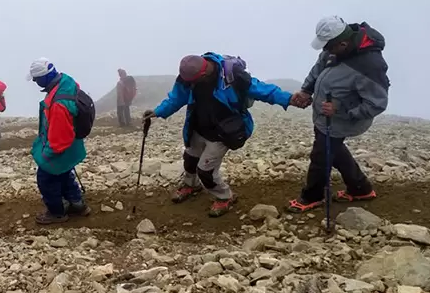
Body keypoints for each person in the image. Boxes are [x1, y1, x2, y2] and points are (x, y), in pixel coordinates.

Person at [143, 53, 297, 217]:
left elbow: (262, 89)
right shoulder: (187, 78)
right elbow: (176, 98)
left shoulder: (232, 75)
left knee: (205, 171)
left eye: (192, 81)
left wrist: (288, 99)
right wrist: (157, 112)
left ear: (203, 73)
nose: (189, 84)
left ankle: (225, 197)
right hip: (198, 128)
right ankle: (191, 185)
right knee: (190, 160)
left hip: (222, 133)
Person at [287, 17, 389, 213]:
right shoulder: (333, 49)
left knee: (321, 155)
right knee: (332, 149)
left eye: (329, 48)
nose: (325, 51)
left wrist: (340, 110)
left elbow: (377, 103)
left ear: (342, 43)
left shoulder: (370, 65)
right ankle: (360, 189)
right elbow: (318, 69)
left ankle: (312, 197)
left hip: (344, 119)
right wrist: (306, 90)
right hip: (325, 116)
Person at [28, 59, 91, 224]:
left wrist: (44, 155)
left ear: (44, 78)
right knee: (64, 173)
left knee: (46, 177)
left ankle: (56, 213)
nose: (35, 82)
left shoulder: (58, 104)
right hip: (73, 145)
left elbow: (59, 141)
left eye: (36, 79)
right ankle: (78, 205)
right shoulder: (66, 84)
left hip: (63, 147)